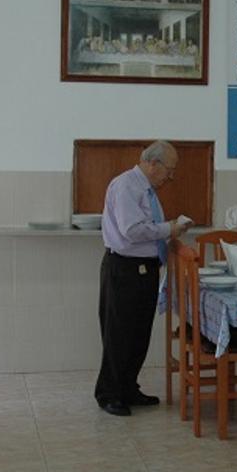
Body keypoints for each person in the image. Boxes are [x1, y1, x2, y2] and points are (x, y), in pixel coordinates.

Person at [94, 140, 189, 416]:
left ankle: (128, 388)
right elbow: (132, 230)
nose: (170, 176)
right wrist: (169, 229)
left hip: (144, 269)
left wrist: (168, 233)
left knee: (138, 334)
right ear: (152, 163)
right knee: (119, 335)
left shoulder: (146, 188)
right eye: (168, 169)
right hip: (124, 268)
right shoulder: (126, 186)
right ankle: (108, 393)